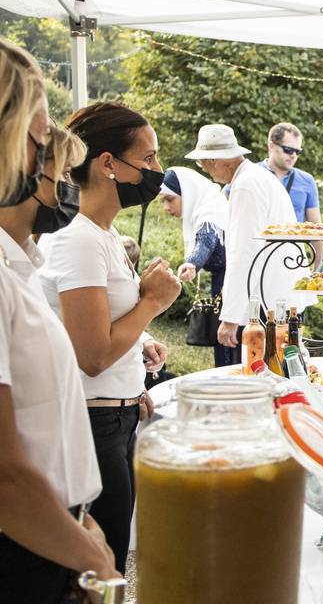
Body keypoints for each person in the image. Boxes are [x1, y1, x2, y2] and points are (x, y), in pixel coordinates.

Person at [38, 101, 181, 573]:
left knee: (112, 561)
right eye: (149, 159)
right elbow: (93, 355)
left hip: (114, 422)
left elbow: (94, 327)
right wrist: (151, 304)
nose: (158, 171)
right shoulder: (78, 239)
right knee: (103, 573)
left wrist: (141, 344)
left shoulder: (102, 234)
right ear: (107, 165)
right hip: (92, 427)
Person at [0, 37, 118, 600]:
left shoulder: (15, 267)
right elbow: (5, 478)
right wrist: (97, 562)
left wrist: (80, 521)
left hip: (51, 540)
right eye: (42, 140)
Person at [185, 124, 308, 362]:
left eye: (204, 164)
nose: (206, 170)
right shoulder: (257, 177)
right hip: (277, 295)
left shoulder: (245, 185)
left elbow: (244, 253)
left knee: (264, 372)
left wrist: (231, 318)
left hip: (267, 300)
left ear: (216, 160)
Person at [158, 167, 230, 366]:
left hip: (231, 291)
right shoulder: (211, 207)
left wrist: (192, 263)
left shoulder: (209, 216)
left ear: (188, 194)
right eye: (163, 200)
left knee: (229, 355)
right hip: (225, 287)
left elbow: (205, 242)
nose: (165, 207)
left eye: (170, 199)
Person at [259, 122, 323, 259]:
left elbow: (316, 230)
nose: (294, 155)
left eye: (298, 151)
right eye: (288, 150)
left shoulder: (307, 181)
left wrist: (318, 269)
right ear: (271, 146)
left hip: (292, 258)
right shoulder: (251, 173)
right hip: (255, 256)